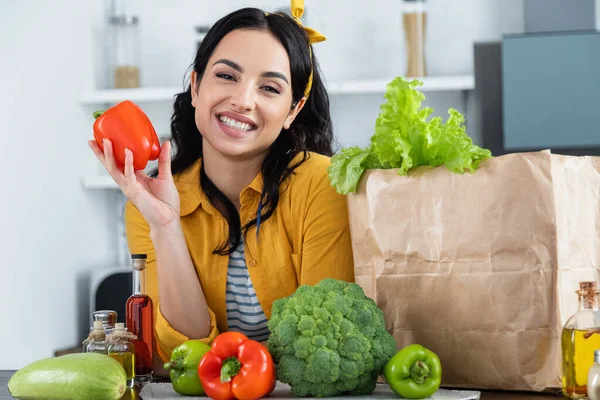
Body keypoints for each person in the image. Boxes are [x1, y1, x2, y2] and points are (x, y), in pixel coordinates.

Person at [88, 1, 355, 369]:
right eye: (227, 76)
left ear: (293, 110)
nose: (243, 101)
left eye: (269, 88)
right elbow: (182, 354)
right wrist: (166, 226)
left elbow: (327, 343)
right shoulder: (146, 204)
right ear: (196, 86)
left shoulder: (323, 185)